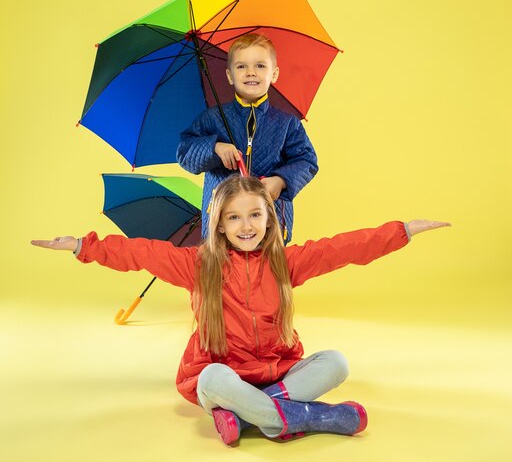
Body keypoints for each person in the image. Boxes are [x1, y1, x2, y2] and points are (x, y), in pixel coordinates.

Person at [31, 175, 451, 446]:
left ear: (270, 219)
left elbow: (342, 249)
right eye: (233, 218)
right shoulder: (198, 264)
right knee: (214, 378)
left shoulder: (285, 263)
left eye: (254, 214)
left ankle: (252, 417)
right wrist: (82, 246)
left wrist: (402, 232)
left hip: (276, 372)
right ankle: (312, 417)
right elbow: (139, 252)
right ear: (219, 225)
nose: (245, 225)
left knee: (336, 363)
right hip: (219, 375)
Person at [176, 33, 318, 243]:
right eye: (241, 67)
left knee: (268, 274)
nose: (251, 72)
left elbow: (306, 161)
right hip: (223, 224)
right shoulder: (212, 118)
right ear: (230, 75)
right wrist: (214, 147)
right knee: (221, 273)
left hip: (271, 220)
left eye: (260, 66)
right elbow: (185, 153)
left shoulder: (287, 124)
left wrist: (280, 181)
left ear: (274, 73)